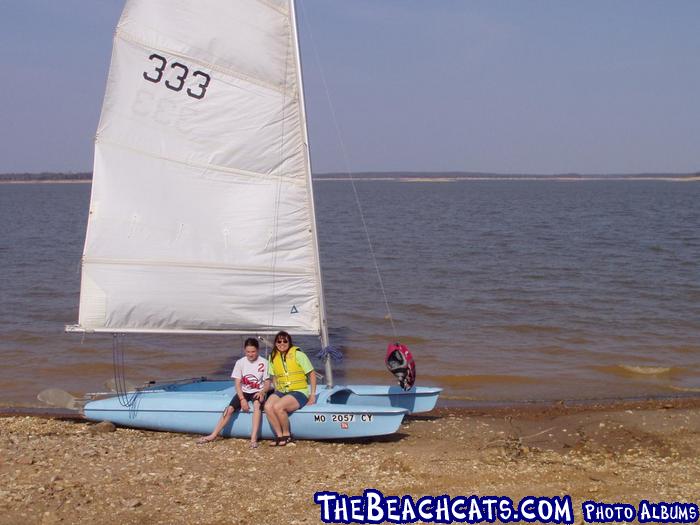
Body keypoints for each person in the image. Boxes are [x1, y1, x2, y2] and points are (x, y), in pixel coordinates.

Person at [196, 338, 270, 448]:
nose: (250, 354)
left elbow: (267, 384)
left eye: (253, 351)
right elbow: (237, 384)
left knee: (256, 404)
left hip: (258, 391)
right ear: (245, 351)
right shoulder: (240, 362)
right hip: (244, 391)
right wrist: (242, 399)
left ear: (258, 350)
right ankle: (213, 435)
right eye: (248, 352)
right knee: (229, 409)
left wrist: (262, 392)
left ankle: (253, 439)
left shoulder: (264, 363)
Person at [265, 330, 316, 446]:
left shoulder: (299, 355)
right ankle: (279, 435)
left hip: (299, 391)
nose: (282, 343)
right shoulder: (272, 357)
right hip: (282, 391)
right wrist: (276, 390)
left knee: (278, 407)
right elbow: (274, 376)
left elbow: (312, 374)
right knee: (268, 406)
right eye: (279, 341)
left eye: (285, 341)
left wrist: (312, 395)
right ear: (275, 343)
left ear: (289, 342)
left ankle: (287, 435)